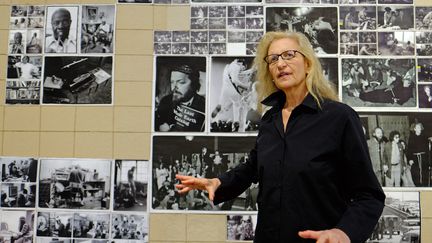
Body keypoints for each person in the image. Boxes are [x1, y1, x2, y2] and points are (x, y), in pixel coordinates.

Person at [176, 31, 385, 243]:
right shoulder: (269, 120)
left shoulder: (340, 117)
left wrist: (344, 233)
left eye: (289, 55)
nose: (280, 64)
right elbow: (252, 168)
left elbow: (369, 195)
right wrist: (218, 182)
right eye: (273, 59)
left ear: (308, 64)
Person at [155, 64, 205, 132]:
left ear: (194, 84)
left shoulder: (204, 106)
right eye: (172, 82)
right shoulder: (165, 101)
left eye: (181, 82)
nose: (174, 88)